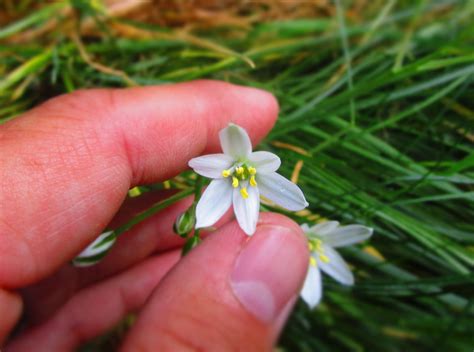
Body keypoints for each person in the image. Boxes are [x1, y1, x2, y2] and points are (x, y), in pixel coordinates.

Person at [0, 80, 309, 351]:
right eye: (241, 171)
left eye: (246, 171)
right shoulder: (227, 156)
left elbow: (248, 206)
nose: (243, 173)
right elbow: (214, 180)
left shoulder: (247, 166)